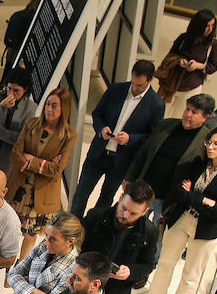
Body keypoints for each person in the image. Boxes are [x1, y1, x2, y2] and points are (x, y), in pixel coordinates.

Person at [137, 127, 217, 294]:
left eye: (216, 143)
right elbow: (180, 190)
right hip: (183, 217)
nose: (210, 147)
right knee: (166, 261)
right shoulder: (199, 163)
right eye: (209, 142)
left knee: (191, 274)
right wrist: (204, 201)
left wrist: (193, 197)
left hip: (207, 228)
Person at [70, 59, 165, 216]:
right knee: (81, 194)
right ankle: (71, 229)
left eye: (139, 85)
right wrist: (101, 128)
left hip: (121, 161)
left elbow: (151, 137)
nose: (134, 88)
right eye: (133, 82)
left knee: (106, 199)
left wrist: (130, 139)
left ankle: (93, 232)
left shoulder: (156, 104)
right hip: (98, 153)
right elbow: (97, 113)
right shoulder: (116, 89)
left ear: (150, 80)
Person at [123, 92, 217, 226]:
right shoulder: (166, 124)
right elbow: (144, 153)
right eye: (187, 109)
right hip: (142, 190)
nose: (188, 114)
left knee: (155, 238)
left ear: (205, 118)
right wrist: (129, 178)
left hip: (167, 199)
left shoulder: (206, 141)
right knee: (128, 227)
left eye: (194, 112)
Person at [6, 87, 76, 259]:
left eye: (54, 106)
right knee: (10, 228)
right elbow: (16, 155)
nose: (49, 109)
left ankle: (18, 269)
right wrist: (44, 164)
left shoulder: (68, 135)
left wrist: (31, 160)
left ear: (64, 109)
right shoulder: (31, 124)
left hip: (42, 194)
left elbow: (56, 170)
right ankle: (4, 265)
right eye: (47, 104)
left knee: (30, 235)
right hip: (19, 186)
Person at [159, 8, 217, 118]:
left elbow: (213, 66)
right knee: (161, 115)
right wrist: (179, 61)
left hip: (192, 86)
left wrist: (198, 66)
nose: (210, 29)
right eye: (207, 26)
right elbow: (171, 54)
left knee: (180, 118)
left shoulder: (213, 44)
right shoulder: (184, 38)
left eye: (212, 26)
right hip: (172, 83)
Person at [0, 0, 42, 88]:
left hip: (12, 52)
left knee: (7, 79)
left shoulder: (28, 10)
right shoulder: (36, 16)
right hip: (21, 57)